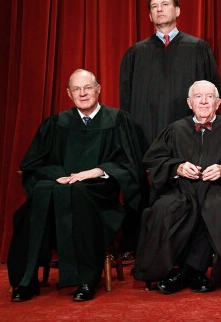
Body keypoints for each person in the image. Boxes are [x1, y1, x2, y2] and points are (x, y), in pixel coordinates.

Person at [8, 69, 142, 302]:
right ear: (69, 94)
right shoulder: (57, 123)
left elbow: (131, 164)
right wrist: (59, 175)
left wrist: (98, 170)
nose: (83, 94)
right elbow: (31, 163)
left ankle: (86, 280)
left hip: (98, 194)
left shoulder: (118, 120)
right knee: (31, 208)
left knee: (79, 197)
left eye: (88, 88)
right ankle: (26, 280)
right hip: (59, 188)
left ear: (98, 89)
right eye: (77, 89)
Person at [133, 80, 221, 294]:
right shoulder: (175, 129)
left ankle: (185, 272)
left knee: (213, 207)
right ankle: (190, 272)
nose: (203, 101)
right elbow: (152, 160)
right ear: (189, 102)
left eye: (209, 96)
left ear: (218, 102)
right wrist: (178, 167)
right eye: (198, 97)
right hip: (181, 190)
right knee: (165, 208)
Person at [119, 0, 221, 253]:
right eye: (154, 6)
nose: (160, 9)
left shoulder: (197, 48)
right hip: (147, 133)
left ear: (177, 11)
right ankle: (147, 248)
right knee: (150, 188)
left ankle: (194, 249)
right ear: (150, 15)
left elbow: (212, 93)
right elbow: (126, 101)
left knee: (189, 187)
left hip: (189, 135)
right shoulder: (135, 53)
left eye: (165, 4)